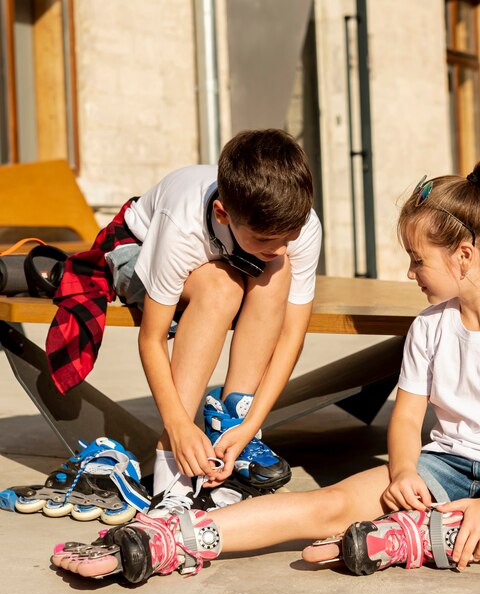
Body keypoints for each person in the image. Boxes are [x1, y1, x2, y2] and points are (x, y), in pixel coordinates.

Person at [51, 158, 480, 582]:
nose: (409, 272)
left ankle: (415, 540)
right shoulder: (430, 326)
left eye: (417, 260)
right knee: (323, 506)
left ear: (464, 257)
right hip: (441, 469)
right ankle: (172, 538)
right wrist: (403, 473)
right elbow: (406, 420)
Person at [46, 129, 322, 504]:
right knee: (219, 288)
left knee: (277, 271)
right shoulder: (182, 226)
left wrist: (253, 423)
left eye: (288, 236)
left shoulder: (296, 226)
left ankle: (232, 419)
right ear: (223, 213)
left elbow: (292, 334)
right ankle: (171, 464)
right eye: (264, 240)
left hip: (226, 254)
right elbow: (152, 338)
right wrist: (177, 425)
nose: (277, 248)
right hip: (139, 245)